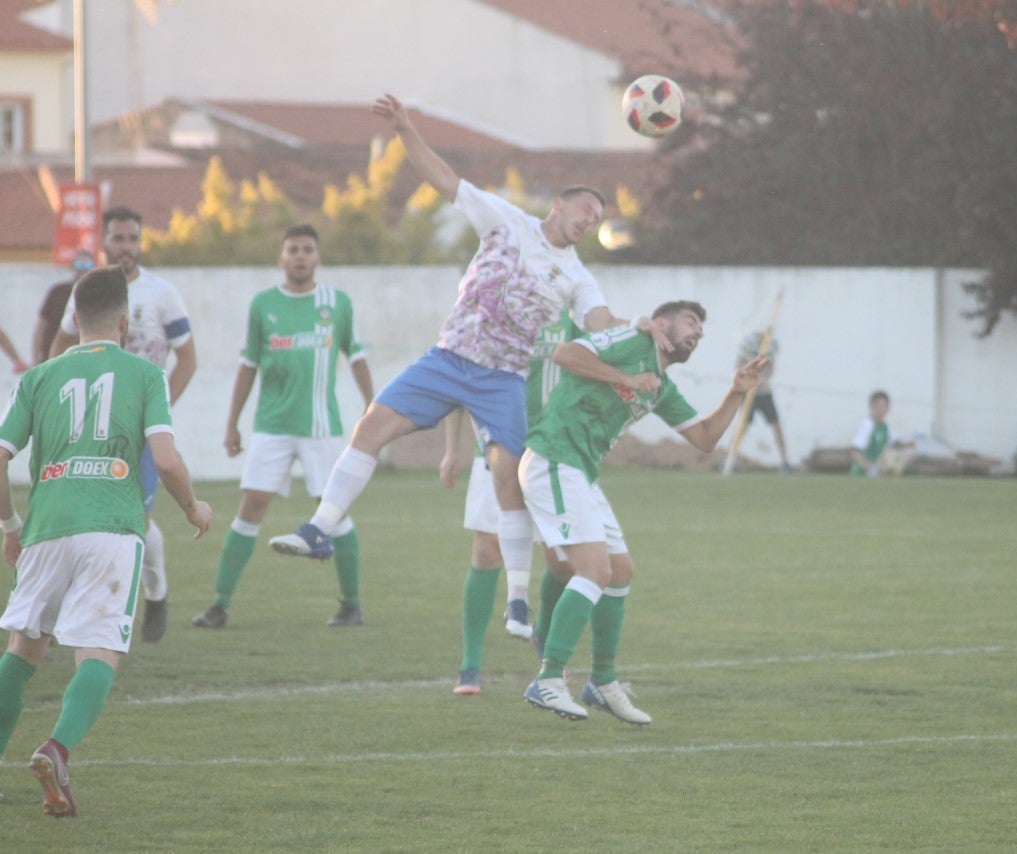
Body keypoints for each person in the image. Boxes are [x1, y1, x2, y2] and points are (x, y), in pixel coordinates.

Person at [270, 92, 665, 603]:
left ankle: (518, 599)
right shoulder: (506, 220)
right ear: (559, 204)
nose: (589, 220)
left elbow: (599, 321)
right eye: (585, 208)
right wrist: (405, 129)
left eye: (597, 218)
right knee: (370, 426)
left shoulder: (576, 274)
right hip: (447, 359)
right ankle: (319, 529)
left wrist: (637, 324)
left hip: (501, 378)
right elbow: (443, 179)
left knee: (511, 483)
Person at [0, 267, 212, 818]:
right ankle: (57, 747)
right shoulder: (145, 375)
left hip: (45, 527)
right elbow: (164, 459)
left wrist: (10, 527)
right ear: (124, 321)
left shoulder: (39, 377)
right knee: (100, 651)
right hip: (112, 529)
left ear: (73, 319)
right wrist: (193, 507)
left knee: (23, 651)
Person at [521, 300, 770, 723]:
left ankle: (601, 681)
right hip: (553, 457)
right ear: (660, 324)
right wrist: (627, 378)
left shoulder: (662, 388)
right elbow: (567, 354)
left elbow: (706, 438)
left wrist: (735, 392)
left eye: (701, 328)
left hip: (580, 470)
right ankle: (547, 681)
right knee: (594, 571)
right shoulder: (633, 340)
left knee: (620, 570)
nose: (699, 332)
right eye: (691, 321)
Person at [191, 225, 374, 630]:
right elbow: (248, 365)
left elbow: (357, 356)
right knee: (250, 507)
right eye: (292, 249)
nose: (300, 256)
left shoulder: (336, 303)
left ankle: (352, 605)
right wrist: (232, 423)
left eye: (308, 249)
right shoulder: (263, 305)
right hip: (271, 425)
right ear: (281, 257)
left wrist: (374, 406)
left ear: (318, 258)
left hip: (320, 427)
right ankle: (219, 604)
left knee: (332, 509)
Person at [49, 207, 197, 643]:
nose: (126, 248)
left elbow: (188, 358)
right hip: (91, 429)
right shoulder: (89, 291)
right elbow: (60, 343)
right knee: (84, 519)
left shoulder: (162, 293)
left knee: (138, 520)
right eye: (118, 239)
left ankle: (156, 592)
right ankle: (94, 610)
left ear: (141, 243)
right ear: (104, 242)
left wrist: (158, 415)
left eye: (133, 239)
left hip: (139, 432)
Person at [439, 310, 581, 695]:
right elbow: (457, 383)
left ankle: (546, 645)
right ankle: (470, 665)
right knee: (486, 552)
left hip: (552, 453)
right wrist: (452, 449)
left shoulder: (572, 311)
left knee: (562, 559)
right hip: (499, 448)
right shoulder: (487, 311)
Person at [736, 330, 791, 472]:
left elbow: (771, 366)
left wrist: (764, 380)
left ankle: (785, 462)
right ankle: (730, 460)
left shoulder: (770, 344)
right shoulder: (748, 343)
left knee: (777, 426)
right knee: (743, 427)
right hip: (749, 394)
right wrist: (748, 380)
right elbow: (739, 365)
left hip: (765, 394)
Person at [33, 250, 96, 365]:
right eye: (79, 265)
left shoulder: (97, 295)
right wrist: (36, 359)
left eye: (88, 265)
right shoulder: (57, 291)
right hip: (52, 358)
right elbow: (41, 327)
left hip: (81, 361)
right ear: (72, 267)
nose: (83, 269)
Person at [850, 390, 914, 477]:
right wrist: (869, 468)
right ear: (871, 407)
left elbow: (897, 443)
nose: (881, 409)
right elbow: (855, 451)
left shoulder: (886, 427)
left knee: (907, 452)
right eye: (878, 406)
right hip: (861, 474)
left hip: (876, 474)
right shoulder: (867, 425)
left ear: (888, 408)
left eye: (884, 406)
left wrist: (910, 444)